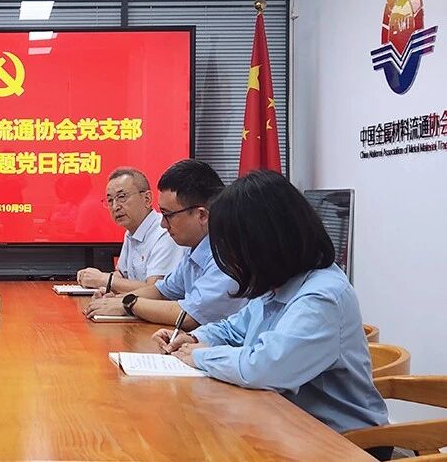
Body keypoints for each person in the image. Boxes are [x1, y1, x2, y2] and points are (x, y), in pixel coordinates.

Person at [155, 170, 389, 441]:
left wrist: (198, 355)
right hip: (285, 422)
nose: (229, 260)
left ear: (263, 243)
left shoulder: (322, 297)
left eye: (232, 248)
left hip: (343, 441)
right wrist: (195, 338)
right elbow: (235, 328)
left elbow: (263, 368)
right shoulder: (278, 282)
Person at [86, 160, 246, 327]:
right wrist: (115, 300)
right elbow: (162, 291)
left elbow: (188, 315)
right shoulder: (195, 249)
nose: (163, 224)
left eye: (168, 215)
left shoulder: (227, 255)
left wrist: (129, 304)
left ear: (202, 215)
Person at [76, 167, 183, 294]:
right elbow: (122, 274)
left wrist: (104, 280)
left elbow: (155, 290)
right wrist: (93, 279)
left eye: (122, 197)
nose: (115, 207)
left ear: (147, 199)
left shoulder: (165, 232)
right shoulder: (131, 232)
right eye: (110, 200)